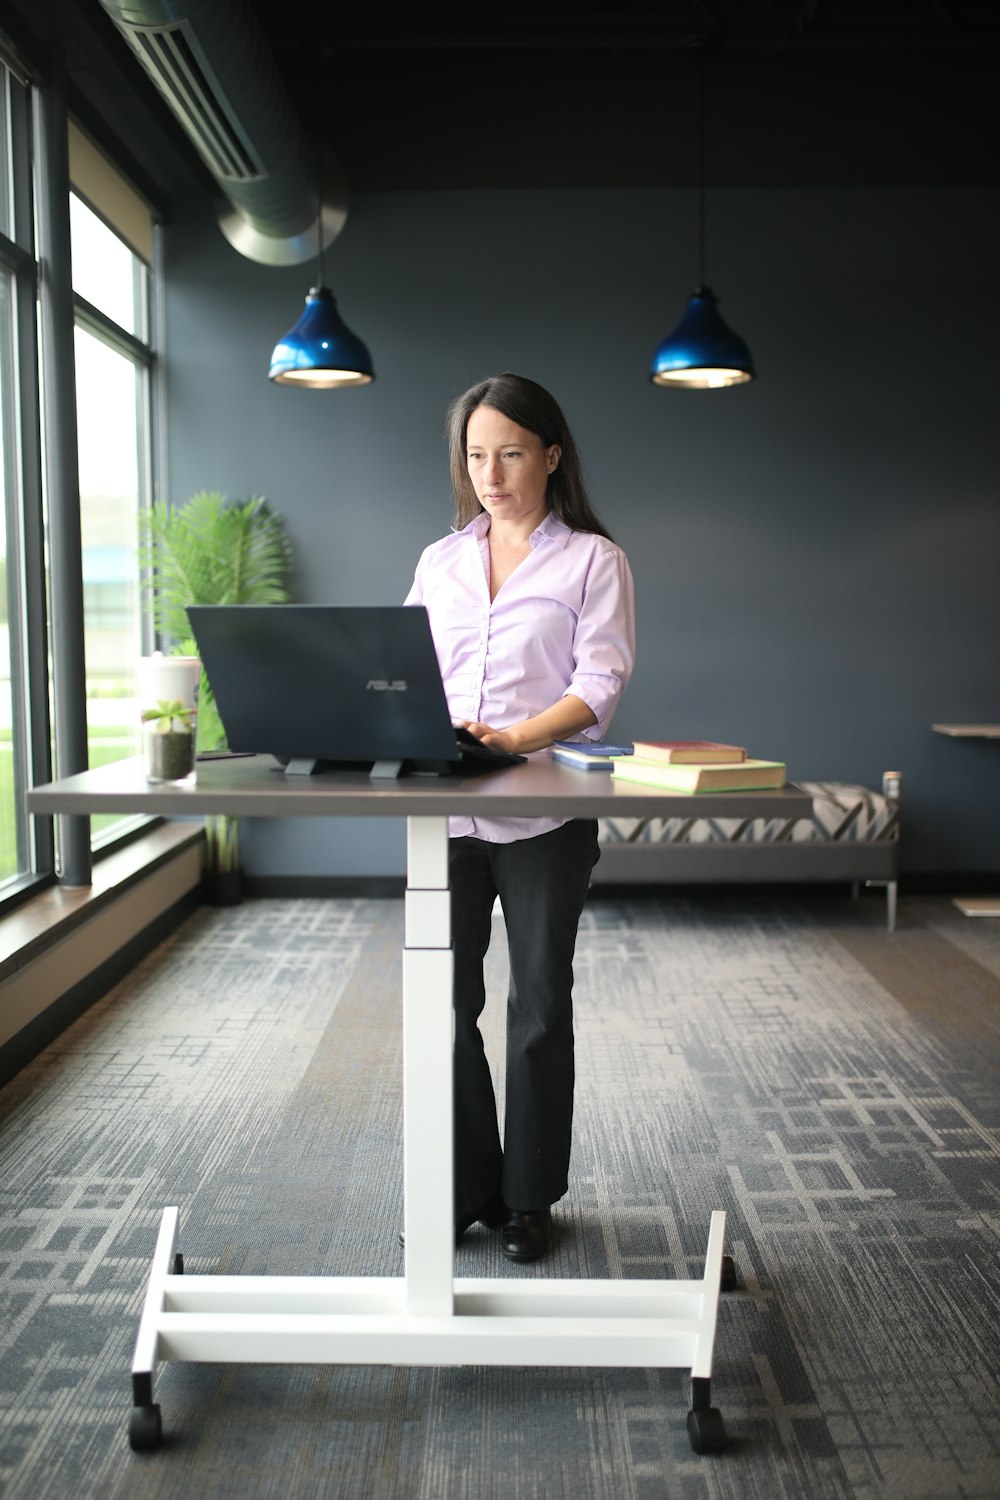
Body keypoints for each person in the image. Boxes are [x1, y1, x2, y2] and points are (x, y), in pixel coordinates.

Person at [405, 372, 635, 1262]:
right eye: (475, 454)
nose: (489, 473)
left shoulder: (592, 560)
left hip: (544, 815)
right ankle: (466, 1188)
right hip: (444, 816)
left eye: (508, 453)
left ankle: (530, 1196)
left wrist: (512, 739)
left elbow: (599, 685)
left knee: (538, 1006)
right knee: (445, 1005)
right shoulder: (439, 561)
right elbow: (403, 669)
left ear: (550, 454)